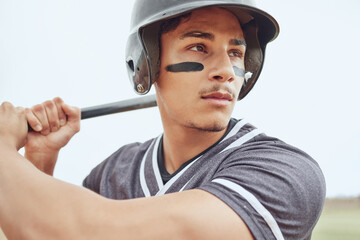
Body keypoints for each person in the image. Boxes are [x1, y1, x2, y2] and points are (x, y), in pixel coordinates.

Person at [0, 0, 326, 239]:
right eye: (199, 46)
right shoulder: (114, 173)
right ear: (148, 64)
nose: (226, 71)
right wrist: (39, 162)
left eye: (235, 53)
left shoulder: (284, 174)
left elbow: (75, 229)